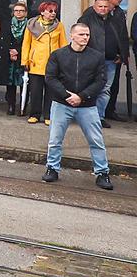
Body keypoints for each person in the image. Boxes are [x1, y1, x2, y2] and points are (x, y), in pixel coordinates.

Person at [43, 23, 115, 190]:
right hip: (62, 103)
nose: (85, 38)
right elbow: (51, 78)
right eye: (82, 34)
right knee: (55, 139)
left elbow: (100, 81)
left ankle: (102, 173)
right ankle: (52, 168)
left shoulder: (96, 57)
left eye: (87, 35)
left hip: (87, 106)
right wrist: (67, 95)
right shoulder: (58, 55)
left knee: (96, 140)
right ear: (72, 36)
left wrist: (81, 96)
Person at [76, 0, 122, 120]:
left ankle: (98, 118)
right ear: (94, 7)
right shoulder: (86, 20)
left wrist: (121, 54)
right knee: (89, 88)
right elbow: (79, 38)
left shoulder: (114, 21)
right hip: (91, 60)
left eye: (105, 6)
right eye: (100, 6)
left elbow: (121, 38)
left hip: (110, 61)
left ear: (109, 8)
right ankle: (85, 117)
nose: (103, 9)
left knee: (105, 90)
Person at [21, 2, 66, 123]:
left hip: (54, 63)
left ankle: (48, 116)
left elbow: (63, 44)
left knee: (51, 91)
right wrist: (24, 61)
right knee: (35, 91)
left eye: (55, 11)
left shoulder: (59, 26)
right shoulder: (31, 25)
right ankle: (34, 114)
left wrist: (65, 62)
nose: (53, 13)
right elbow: (26, 44)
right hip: (36, 62)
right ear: (42, 12)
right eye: (50, 11)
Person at [100, 0, 129, 124]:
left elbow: (123, 35)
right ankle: (97, 115)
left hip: (115, 56)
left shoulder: (119, 13)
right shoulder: (96, 12)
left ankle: (110, 111)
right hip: (99, 57)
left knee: (113, 85)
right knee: (100, 86)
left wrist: (124, 54)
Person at [0, 1, 29, 116]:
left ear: (25, 12)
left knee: (24, 83)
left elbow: (30, 42)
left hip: (24, 57)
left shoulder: (29, 25)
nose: (18, 13)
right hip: (9, 57)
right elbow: (3, 39)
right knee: (10, 83)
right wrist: (10, 51)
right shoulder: (7, 23)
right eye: (16, 10)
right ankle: (10, 106)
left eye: (21, 11)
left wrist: (18, 51)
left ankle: (23, 107)